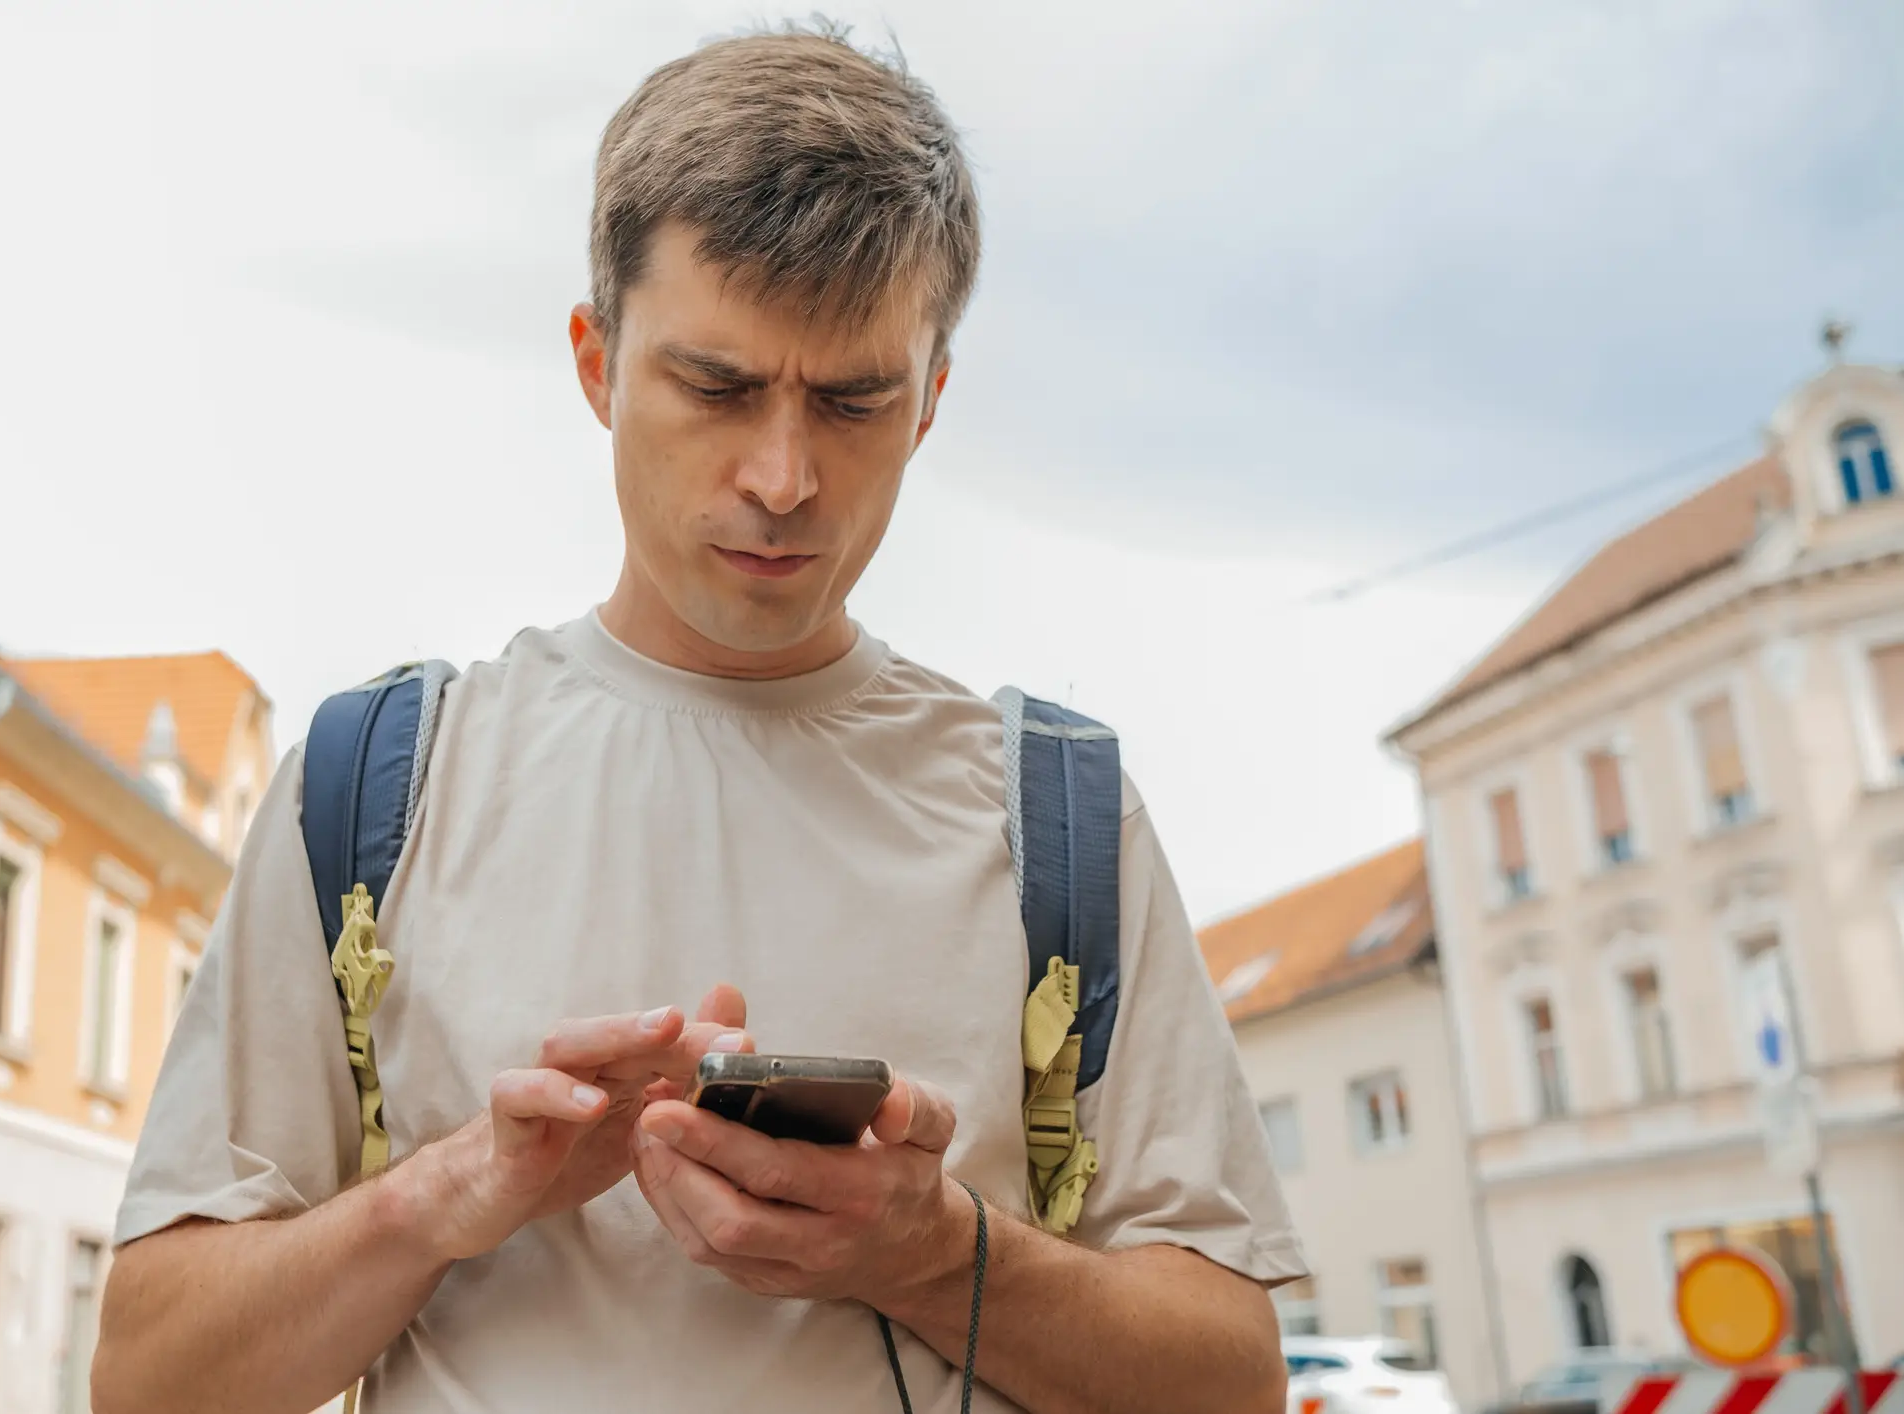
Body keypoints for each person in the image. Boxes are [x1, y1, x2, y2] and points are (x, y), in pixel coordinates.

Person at [93, 23, 1305, 1414]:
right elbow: (146, 1377)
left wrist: (926, 1251)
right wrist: (446, 1194)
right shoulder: (379, 780)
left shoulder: (1059, 814)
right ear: (596, 363)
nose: (783, 475)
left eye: (855, 399)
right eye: (717, 387)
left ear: (931, 406)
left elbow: (1236, 1383)